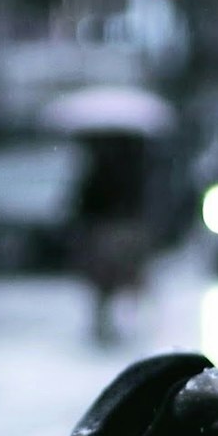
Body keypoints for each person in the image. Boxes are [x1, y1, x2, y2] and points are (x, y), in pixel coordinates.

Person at [71, 127, 153, 345]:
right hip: (122, 226)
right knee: (122, 279)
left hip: (106, 228)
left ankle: (106, 325)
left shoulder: (96, 165)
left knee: (106, 283)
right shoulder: (136, 163)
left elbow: (85, 200)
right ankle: (122, 324)